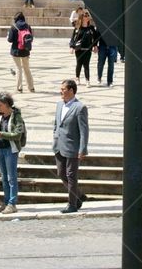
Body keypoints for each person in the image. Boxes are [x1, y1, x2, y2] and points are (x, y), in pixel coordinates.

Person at [53, 79, 89, 213]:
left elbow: (84, 130)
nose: (60, 91)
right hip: (59, 146)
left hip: (73, 147)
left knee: (71, 175)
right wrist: (55, 137)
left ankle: (72, 204)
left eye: (63, 89)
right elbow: (56, 124)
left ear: (71, 90)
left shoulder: (80, 107)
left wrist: (82, 149)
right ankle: (79, 195)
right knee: (61, 173)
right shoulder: (59, 105)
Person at [0, 91, 26, 214]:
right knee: (4, 177)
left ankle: (12, 203)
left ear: (6, 104)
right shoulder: (0, 116)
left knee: (11, 177)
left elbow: (17, 134)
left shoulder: (16, 117)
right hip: (0, 149)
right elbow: (0, 131)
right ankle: (6, 202)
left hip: (11, 150)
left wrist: (1, 134)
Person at [7, 12, 35, 93]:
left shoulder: (14, 26)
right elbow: (30, 38)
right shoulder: (27, 26)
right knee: (27, 69)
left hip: (16, 50)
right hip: (25, 50)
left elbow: (10, 40)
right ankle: (31, 87)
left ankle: (19, 88)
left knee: (18, 68)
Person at [69, 11, 98, 86]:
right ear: (82, 17)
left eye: (88, 16)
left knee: (86, 65)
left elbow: (95, 38)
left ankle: (87, 80)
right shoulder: (78, 28)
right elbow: (73, 38)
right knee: (79, 64)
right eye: (85, 16)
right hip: (79, 49)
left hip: (88, 49)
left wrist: (95, 46)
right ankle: (77, 78)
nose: (87, 17)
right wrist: (72, 47)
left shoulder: (91, 28)